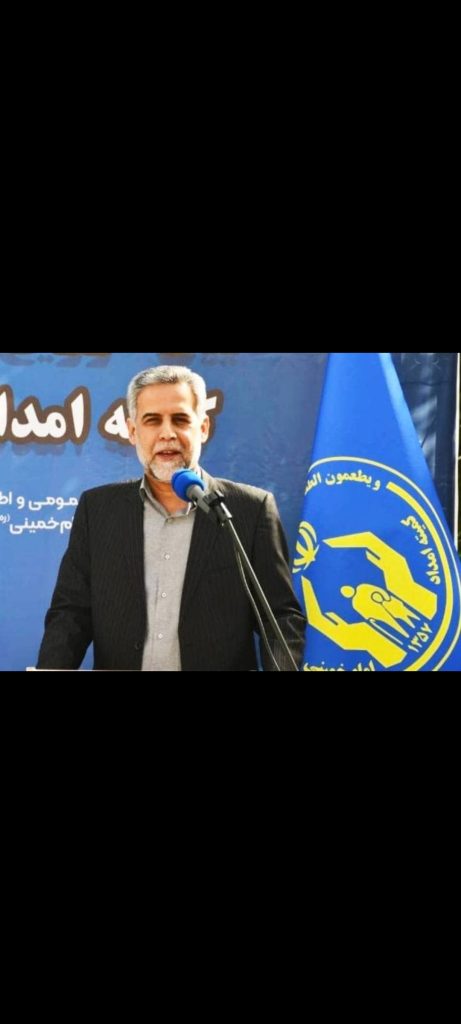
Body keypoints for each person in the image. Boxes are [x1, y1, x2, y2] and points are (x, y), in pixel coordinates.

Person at [37, 365, 306, 671]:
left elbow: (280, 618)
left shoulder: (250, 510)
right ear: (133, 431)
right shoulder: (97, 509)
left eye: (180, 419)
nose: (167, 433)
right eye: (152, 420)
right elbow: (70, 615)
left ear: (203, 428)